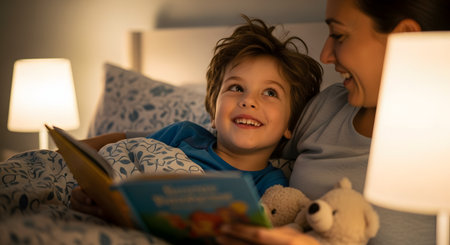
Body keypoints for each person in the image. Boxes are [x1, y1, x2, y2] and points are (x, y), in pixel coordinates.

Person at [217, 0, 450, 244]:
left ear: (405, 38)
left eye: (339, 35)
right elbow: (248, 148)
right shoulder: (327, 107)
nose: (325, 55)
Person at [70, 15, 323, 219]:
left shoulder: (271, 185)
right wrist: (93, 195)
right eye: (236, 88)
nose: (248, 100)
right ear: (213, 112)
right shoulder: (184, 135)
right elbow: (127, 162)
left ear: (290, 125)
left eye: (270, 92)